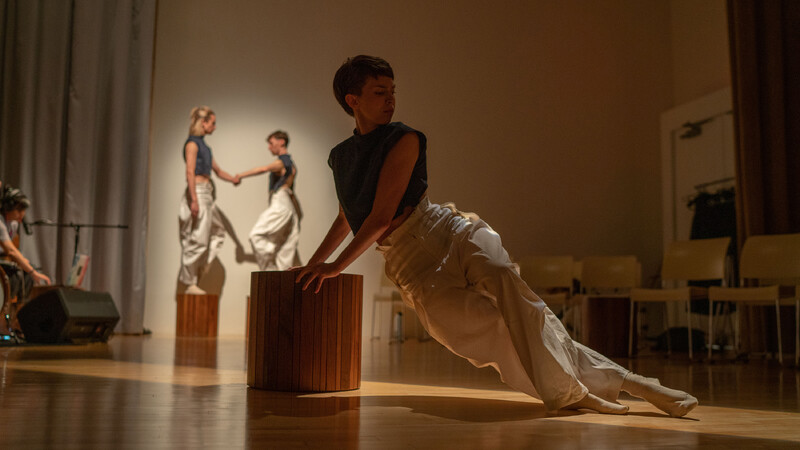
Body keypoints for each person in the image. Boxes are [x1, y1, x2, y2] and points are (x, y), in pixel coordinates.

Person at [295, 55, 699, 417]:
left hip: (445, 230)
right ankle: (623, 385)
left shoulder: (405, 138)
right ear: (353, 100)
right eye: (380, 92)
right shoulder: (340, 157)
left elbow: (381, 215)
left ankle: (580, 392)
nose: (391, 99)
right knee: (500, 337)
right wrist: (319, 261)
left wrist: (335, 266)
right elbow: (350, 215)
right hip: (409, 265)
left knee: (509, 286)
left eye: (393, 91)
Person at [178, 106, 240, 295]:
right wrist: (194, 200)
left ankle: (198, 273)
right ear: (203, 123)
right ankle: (190, 282)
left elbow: (218, 171)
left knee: (218, 232)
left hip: (207, 193)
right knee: (198, 239)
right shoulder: (192, 145)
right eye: (212, 123)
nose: (215, 126)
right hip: (198, 192)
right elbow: (190, 171)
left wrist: (234, 178)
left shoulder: (205, 147)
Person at [237, 130, 302, 271]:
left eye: (271, 143)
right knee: (284, 253)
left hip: (280, 204)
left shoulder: (282, 162)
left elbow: (263, 169)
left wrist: (239, 176)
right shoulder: (291, 164)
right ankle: (280, 285)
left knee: (256, 236)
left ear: (281, 142)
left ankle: (271, 271)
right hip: (289, 209)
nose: (269, 147)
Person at [0, 185, 51, 303]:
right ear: (8, 208)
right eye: (19, 210)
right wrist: (33, 272)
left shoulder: (13, 224)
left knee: (26, 274)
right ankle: (5, 306)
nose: (22, 214)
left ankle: (19, 308)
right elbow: (11, 251)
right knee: (17, 273)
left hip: (3, 258)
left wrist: (26, 265)